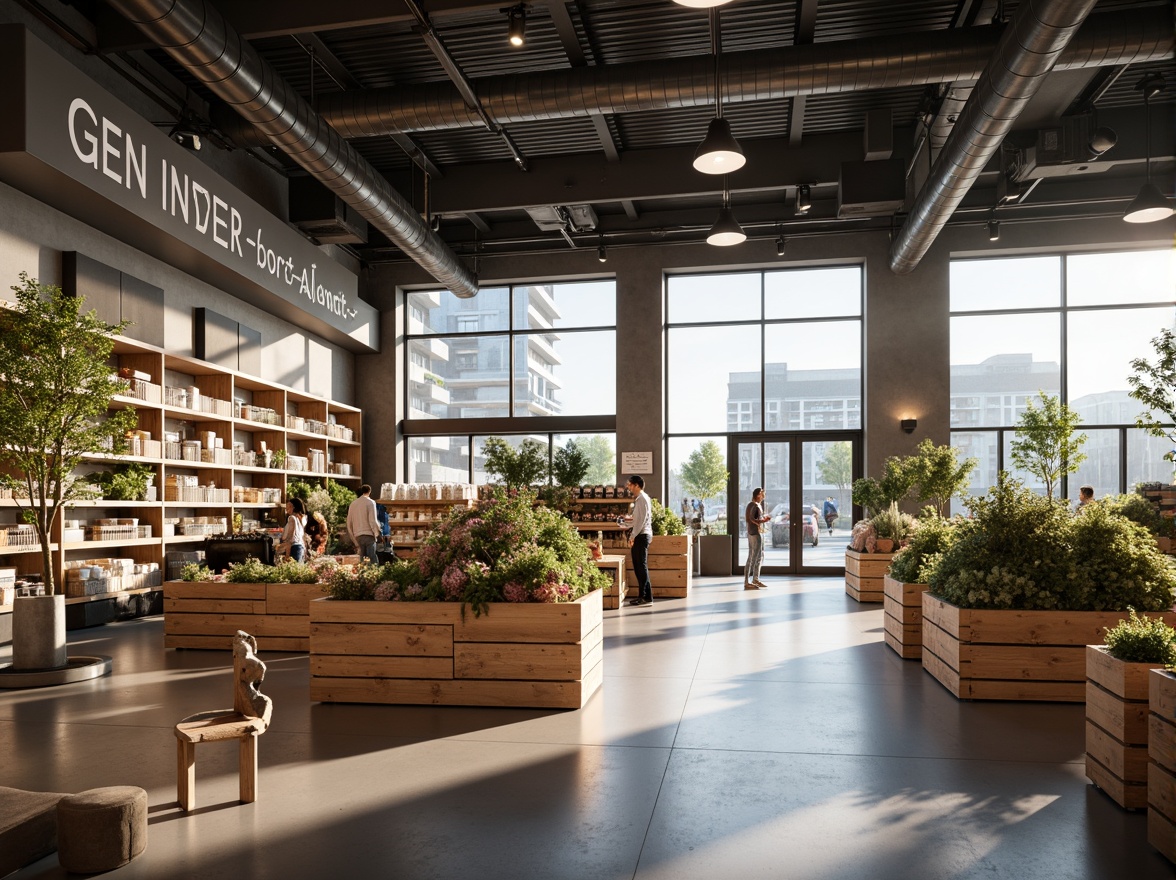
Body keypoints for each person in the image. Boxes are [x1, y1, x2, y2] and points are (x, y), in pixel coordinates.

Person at [622, 475, 654, 607]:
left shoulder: (641, 499)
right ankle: (645, 596)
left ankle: (645, 597)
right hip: (641, 535)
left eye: (630, 484)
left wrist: (632, 536)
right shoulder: (642, 498)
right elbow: (637, 519)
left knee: (640, 566)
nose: (628, 487)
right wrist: (626, 522)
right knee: (640, 566)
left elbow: (640, 521)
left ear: (637, 485)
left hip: (641, 536)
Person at [346, 484, 382, 564]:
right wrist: (377, 533)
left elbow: (349, 523)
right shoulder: (371, 502)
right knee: (372, 559)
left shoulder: (353, 504)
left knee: (361, 560)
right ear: (369, 492)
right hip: (369, 535)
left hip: (357, 535)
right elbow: (373, 520)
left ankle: (362, 574)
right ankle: (374, 574)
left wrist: (353, 539)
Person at [744, 488, 770, 590]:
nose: (763, 497)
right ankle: (749, 581)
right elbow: (751, 518)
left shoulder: (750, 504)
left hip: (751, 533)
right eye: (762, 495)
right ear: (758, 494)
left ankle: (754, 579)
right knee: (756, 557)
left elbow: (749, 518)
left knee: (754, 556)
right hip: (755, 533)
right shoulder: (755, 505)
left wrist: (760, 521)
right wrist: (763, 521)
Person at [278, 497, 306, 562]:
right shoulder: (301, 518)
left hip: (294, 548)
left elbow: (290, 538)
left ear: (293, 507)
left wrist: (287, 555)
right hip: (300, 548)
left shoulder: (292, 518)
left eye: (288, 507)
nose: (286, 510)